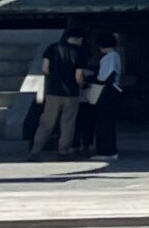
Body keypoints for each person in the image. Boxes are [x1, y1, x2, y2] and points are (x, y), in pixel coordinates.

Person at [29, 29, 86, 158]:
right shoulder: (79, 52)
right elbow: (78, 75)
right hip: (71, 93)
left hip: (53, 91)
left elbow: (45, 68)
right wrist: (81, 85)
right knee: (68, 123)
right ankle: (63, 151)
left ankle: (35, 149)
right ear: (79, 39)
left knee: (47, 122)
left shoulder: (52, 48)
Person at [86, 31, 126, 160]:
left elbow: (102, 77)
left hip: (107, 92)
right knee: (108, 122)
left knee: (103, 122)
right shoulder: (116, 56)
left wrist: (89, 76)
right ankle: (109, 150)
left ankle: (106, 151)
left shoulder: (108, 57)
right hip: (114, 91)